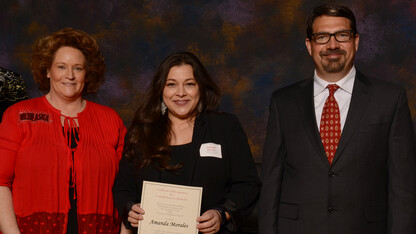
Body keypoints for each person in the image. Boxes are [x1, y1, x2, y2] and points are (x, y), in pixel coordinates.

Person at [258, 3, 416, 234]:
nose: (332, 45)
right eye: (322, 37)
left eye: (342, 35)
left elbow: (404, 189)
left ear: (356, 41)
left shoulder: (390, 99)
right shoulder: (283, 102)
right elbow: (271, 182)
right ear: (309, 45)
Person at [112, 51, 260, 233]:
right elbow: (123, 187)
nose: (180, 93)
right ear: (161, 90)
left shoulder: (224, 127)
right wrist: (130, 208)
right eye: (171, 84)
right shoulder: (142, 130)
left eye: (189, 84)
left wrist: (222, 213)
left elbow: (248, 185)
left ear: (201, 88)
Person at [0, 28, 127, 233]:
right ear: (48, 70)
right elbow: (0, 183)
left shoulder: (110, 120)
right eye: (61, 66)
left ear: (87, 73)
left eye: (78, 68)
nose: (69, 75)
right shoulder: (19, 115)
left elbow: (128, 187)